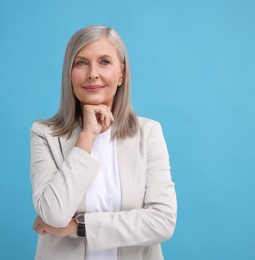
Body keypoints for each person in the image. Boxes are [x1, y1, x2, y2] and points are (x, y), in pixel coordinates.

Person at [30, 25, 177, 260]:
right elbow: (54, 214)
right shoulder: (45, 134)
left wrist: (79, 227)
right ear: (69, 73)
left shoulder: (148, 133)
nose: (92, 73)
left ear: (122, 74)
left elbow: (162, 222)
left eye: (105, 62)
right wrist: (86, 136)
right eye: (81, 63)